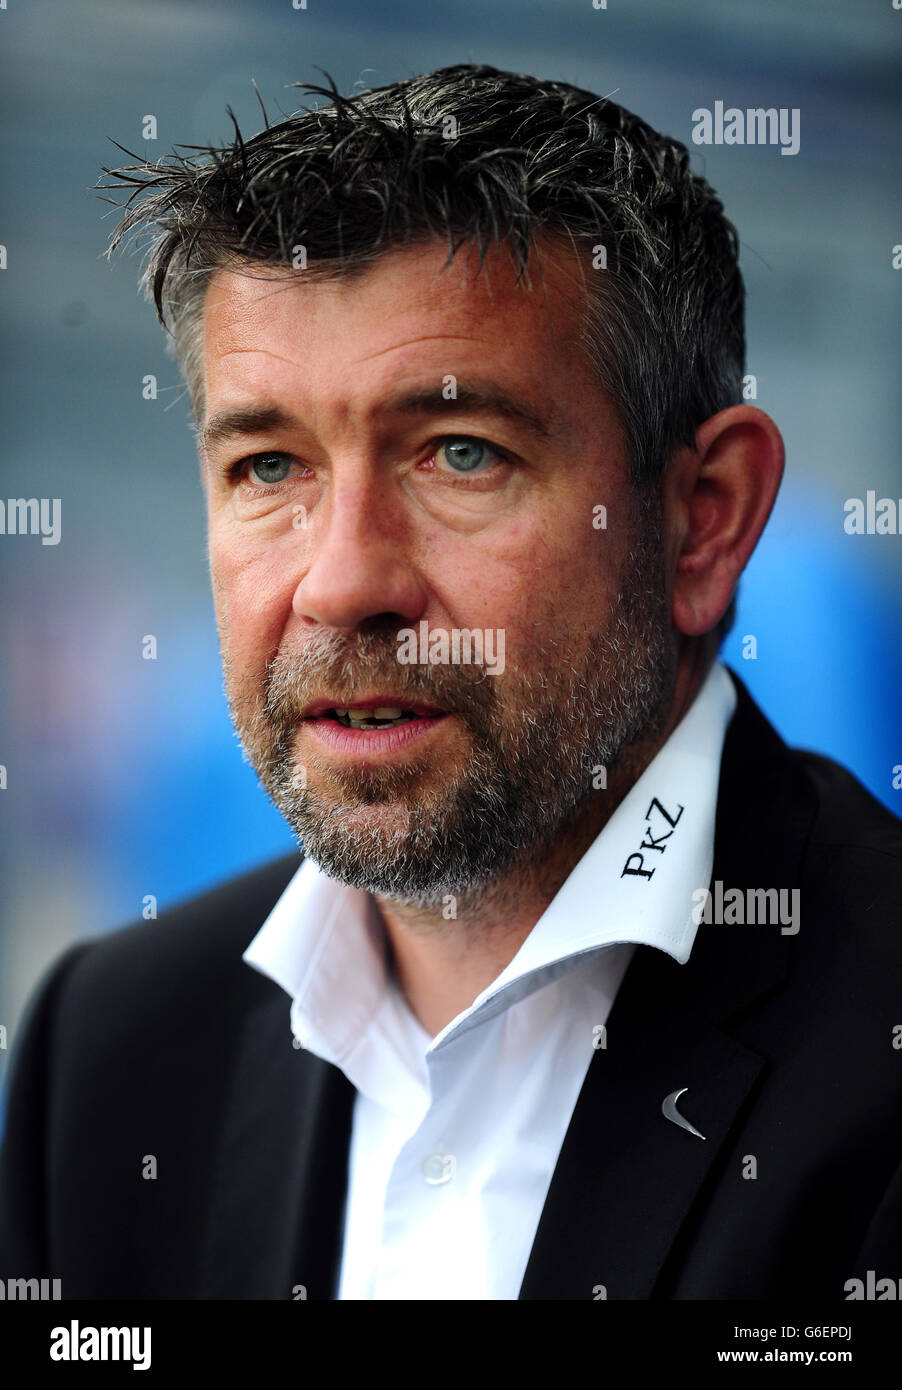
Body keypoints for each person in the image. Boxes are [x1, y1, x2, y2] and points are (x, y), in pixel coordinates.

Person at [1, 63, 899, 1301]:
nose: (340, 583)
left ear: (703, 519)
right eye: (269, 467)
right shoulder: (106, 1054)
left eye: (459, 453)